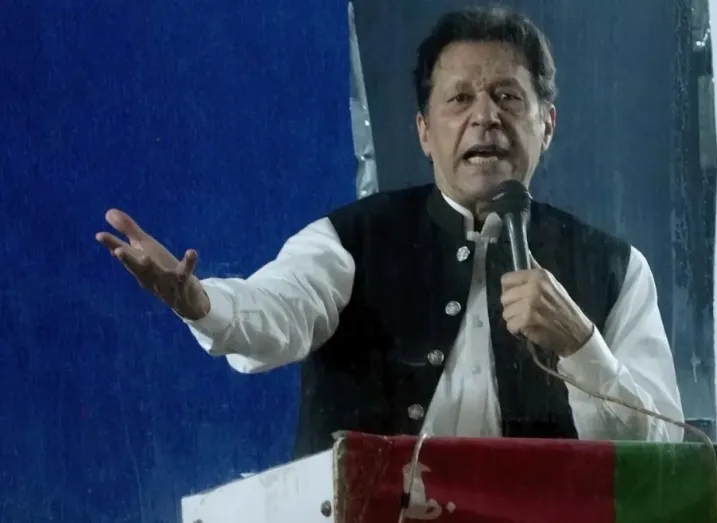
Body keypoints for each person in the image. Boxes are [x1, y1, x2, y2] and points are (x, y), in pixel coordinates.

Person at [96, 6, 684, 458]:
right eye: (460, 98)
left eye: (508, 97)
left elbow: (664, 452)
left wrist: (582, 345)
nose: (486, 117)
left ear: (547, 125)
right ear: (424, 131)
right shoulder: (352, 239)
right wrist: (201, 303)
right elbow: (278, 313)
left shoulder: (614, 268)